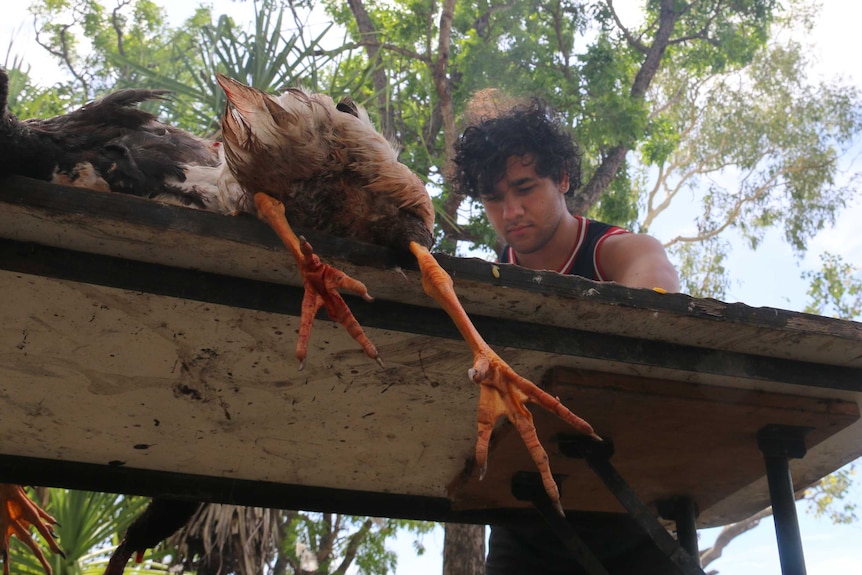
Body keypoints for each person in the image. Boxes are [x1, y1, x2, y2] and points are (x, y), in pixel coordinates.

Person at [453, 97, 681, 575]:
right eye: (493, 198)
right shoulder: (485, 290)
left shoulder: (616, 252)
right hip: (526, 520)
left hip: (630, 507)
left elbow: (657, 301)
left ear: (563, 179)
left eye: (524, 187)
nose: (510, 210)